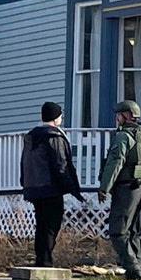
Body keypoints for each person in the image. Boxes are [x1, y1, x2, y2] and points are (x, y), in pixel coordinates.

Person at [20, 101, 83, 268]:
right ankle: (45, 262)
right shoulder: (54, 136)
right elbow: (60, 163)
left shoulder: (31, 136)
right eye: (60, 115)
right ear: (55, 118)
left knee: (41, 225)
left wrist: (25, 183)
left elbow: (24, 162)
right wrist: (72, 188)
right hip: (50, 189)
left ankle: (41, 259)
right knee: (51, 226)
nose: (61, 118)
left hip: (34, 187)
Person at [97, 100, 141, 280]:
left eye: (119, 114)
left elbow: (115, 163)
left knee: (118, 231)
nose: (116, 118)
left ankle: (133, 268)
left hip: (126, 188)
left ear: (128, 115)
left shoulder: (123, 136)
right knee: (134, 231)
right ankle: (135, 266)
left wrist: (104, 188)